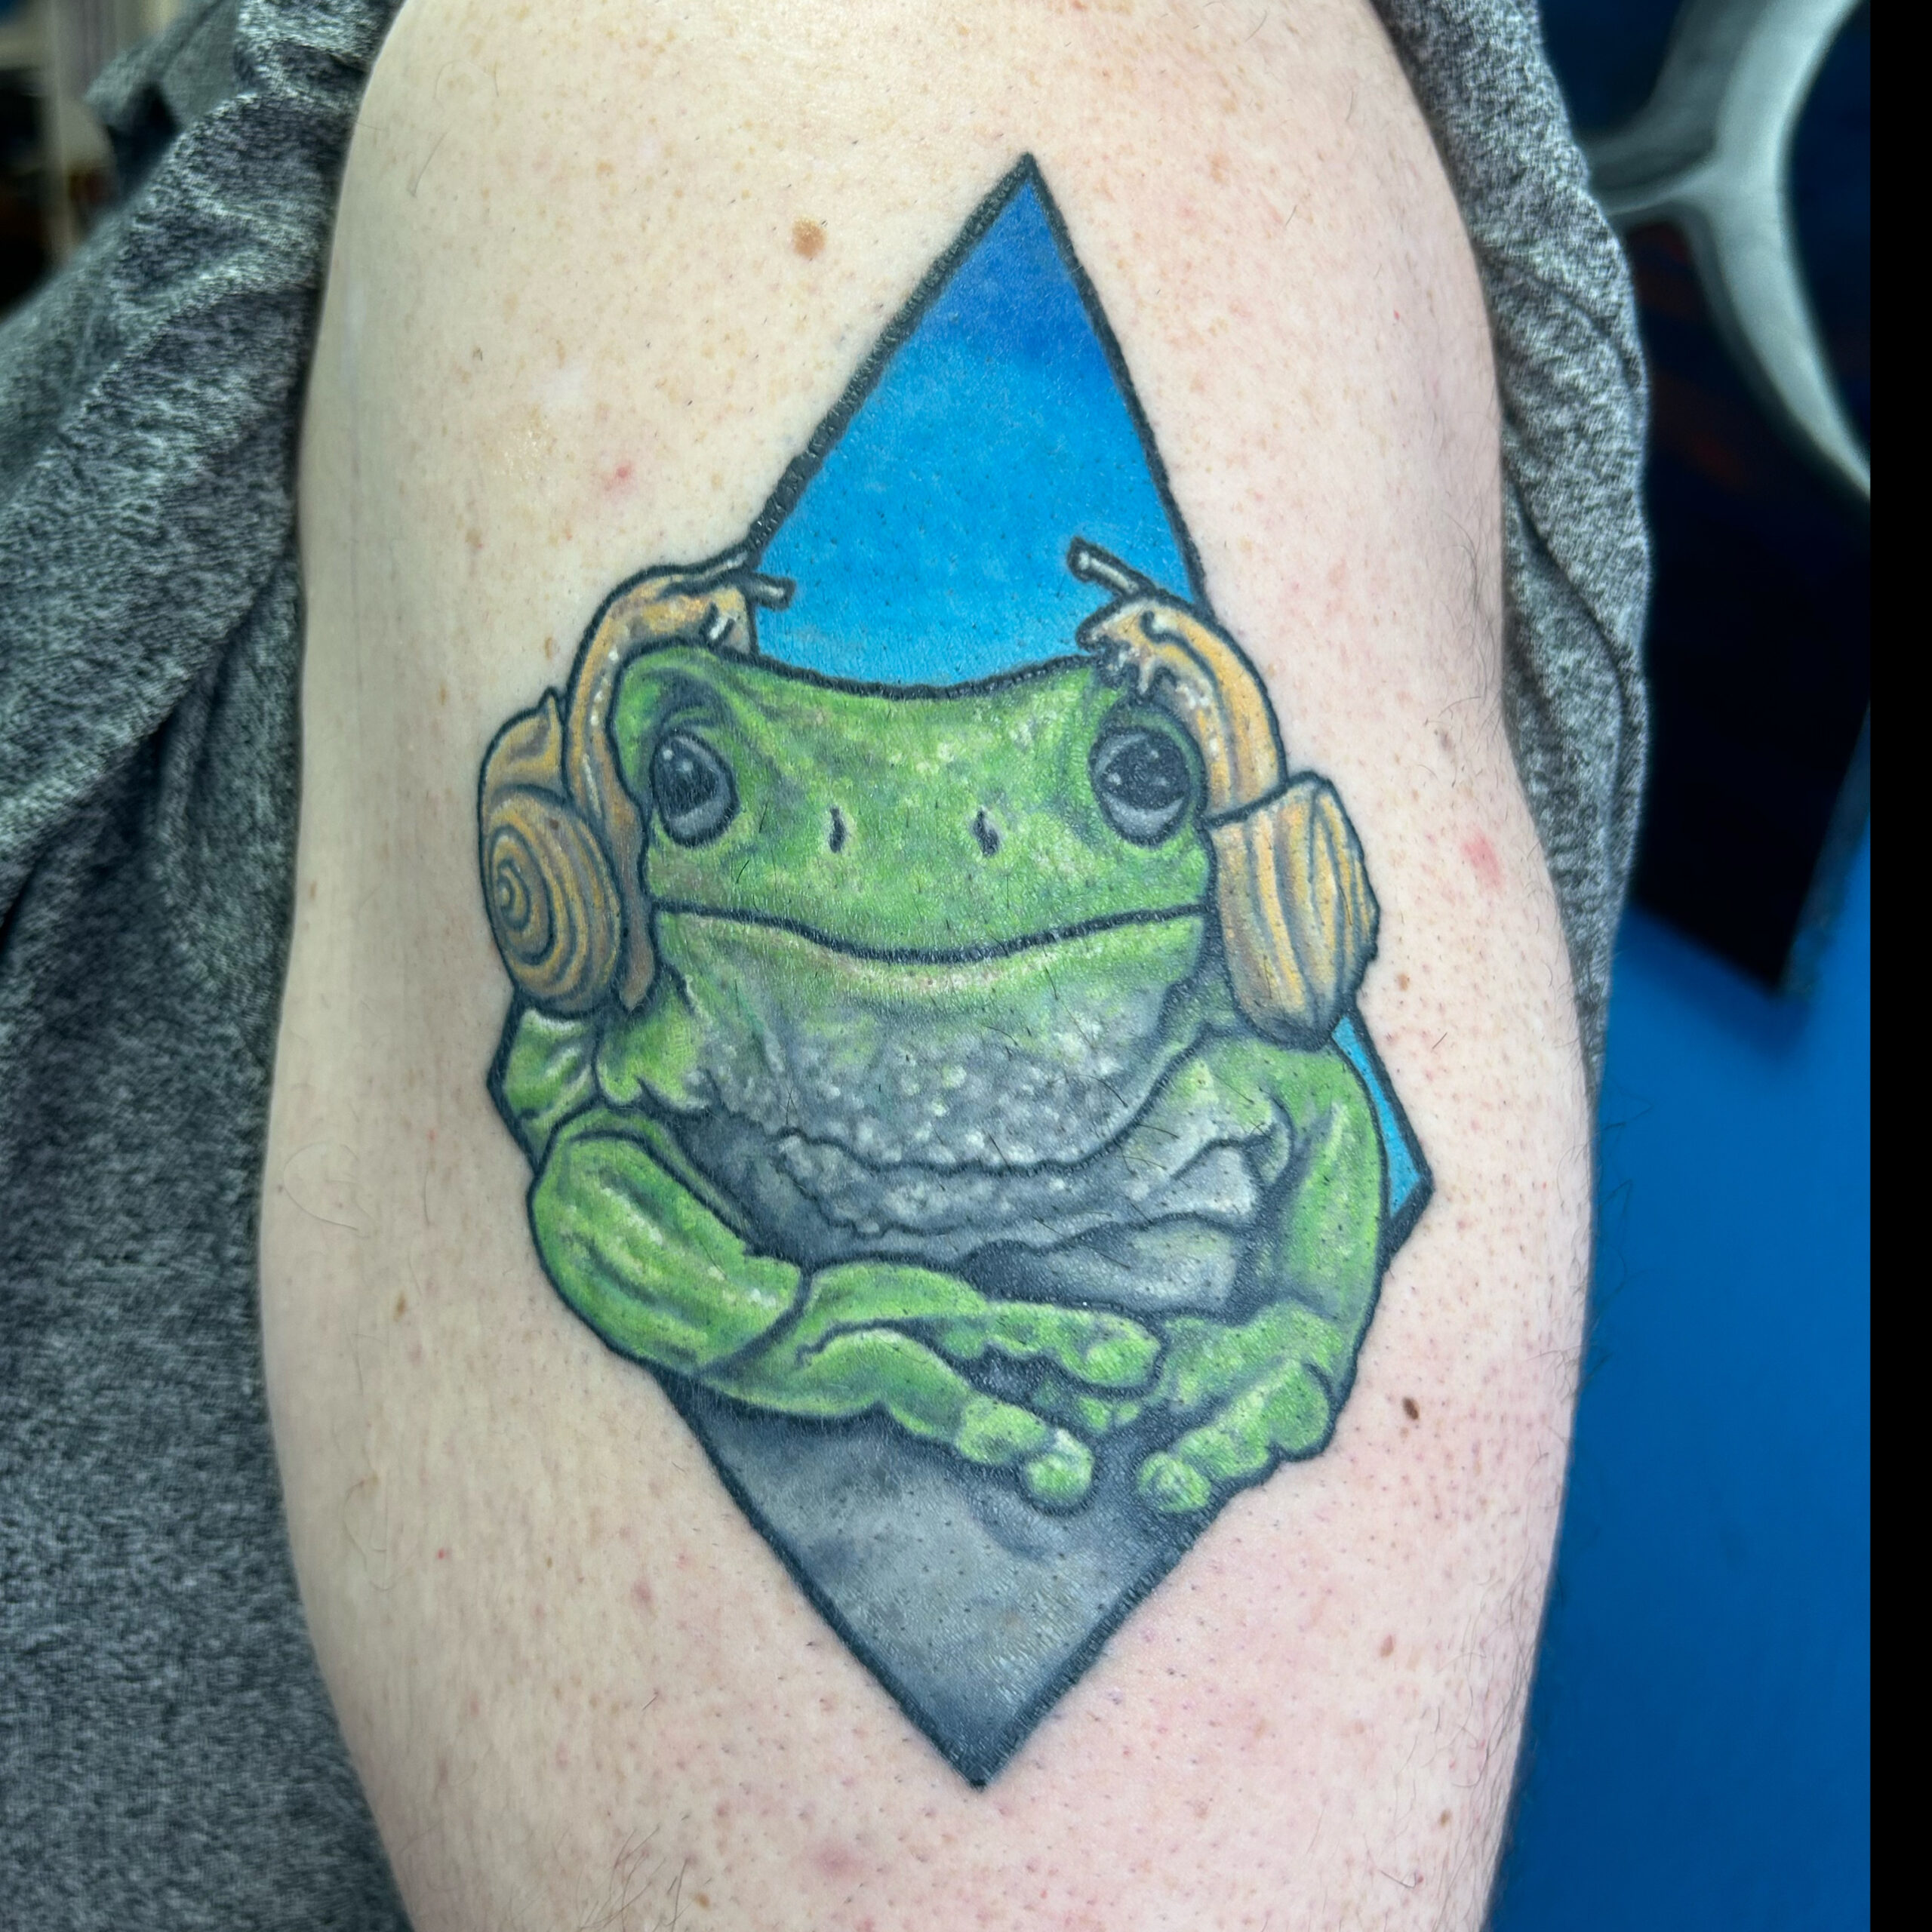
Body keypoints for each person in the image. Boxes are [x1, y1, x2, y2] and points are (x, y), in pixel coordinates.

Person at [0, 2, 1645, 1924]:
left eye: (1135, 776)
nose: (922, 852)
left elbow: (1314, 1110)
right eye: (694, 777)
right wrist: (805, 1319)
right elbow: (577, 1134)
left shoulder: (741, 90)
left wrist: (1290, 1336)